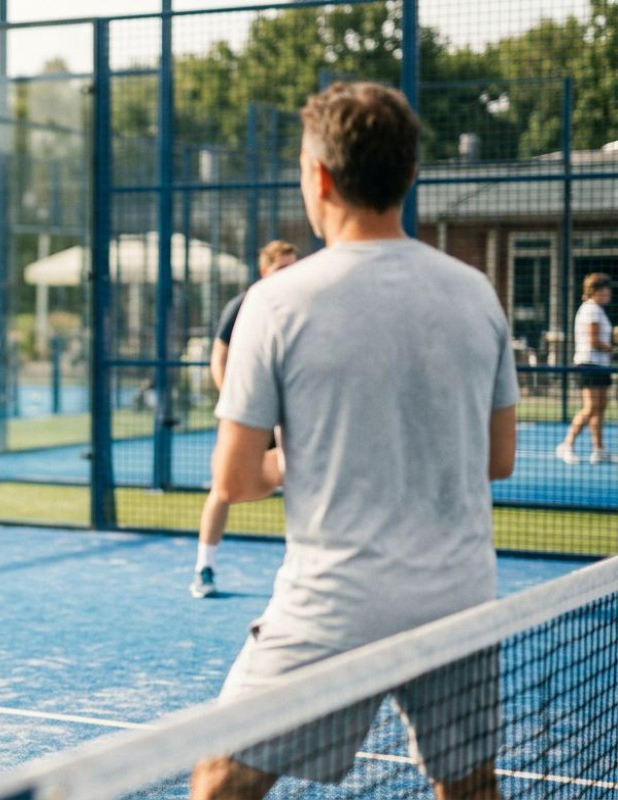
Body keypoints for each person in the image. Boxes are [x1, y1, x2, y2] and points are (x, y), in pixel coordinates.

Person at [189, 82, 517, 800]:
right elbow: (498, 460)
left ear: (321, 178)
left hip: (333, 605)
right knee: (471, 788)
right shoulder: (477, 293)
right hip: (460, 597)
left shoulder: (273, 303)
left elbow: (236, 480)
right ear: (409, 176)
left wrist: (308, 457)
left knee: (221, 779)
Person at [189, 240, 298, 599]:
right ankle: (204, 568)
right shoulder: (244, 306)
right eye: (282, 268)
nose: (289, 275)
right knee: (223, 489)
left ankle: (301, 567)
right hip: (249, 413)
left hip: (286, 414)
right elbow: (219, 361)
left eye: (293, 267)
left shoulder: (298, 307)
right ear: (264, 270)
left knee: (302, 483)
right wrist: (238, 405)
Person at [556, 273, 614, 464]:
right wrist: (614, 349)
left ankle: (599, 450)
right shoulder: (592, 310)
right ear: (597, 290)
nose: (610, 292)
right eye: (607, 288)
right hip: (589, 364)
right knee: (590, 408)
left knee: (600, 407)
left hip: (600, 365)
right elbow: (594, 340)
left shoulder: (597, 310)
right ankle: (567, 445)